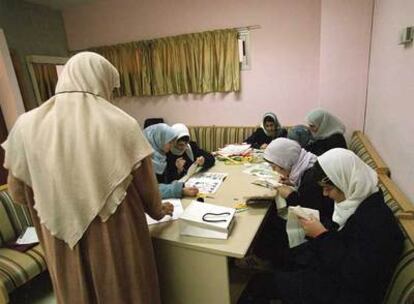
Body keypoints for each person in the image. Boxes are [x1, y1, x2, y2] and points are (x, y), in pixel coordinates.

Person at [2, 52, 174, 304]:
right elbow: (148, 192)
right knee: (126, 291)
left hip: (60, 237)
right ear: (101, 81)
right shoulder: (121, 123)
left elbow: (18, 194)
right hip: (117, 236)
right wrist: (160, 211)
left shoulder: (25, 125)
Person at [239, 148, 404, 304]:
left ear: (344, 180)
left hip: (344, 293)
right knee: (284, 260)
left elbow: (355, 273)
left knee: (260, 283)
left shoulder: (375, 220)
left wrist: (321, 235)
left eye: (328, 188)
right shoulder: (361, 199)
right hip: (334, 275)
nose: (325, 194)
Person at [263, 138, 334, 220]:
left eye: (274, 167)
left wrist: (290, 196)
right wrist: (294, 183)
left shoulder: (311, 178)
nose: (274, 170)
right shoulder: (308, 161)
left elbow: (308, 213)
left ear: (285, 162)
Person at [144, 123, 199, 199]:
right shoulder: (145, 159)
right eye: (170, 142)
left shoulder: (160, 155)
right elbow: (149, 189)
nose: (172, 146)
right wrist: (180, 190)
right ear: (159, 140)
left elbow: (165, 181)